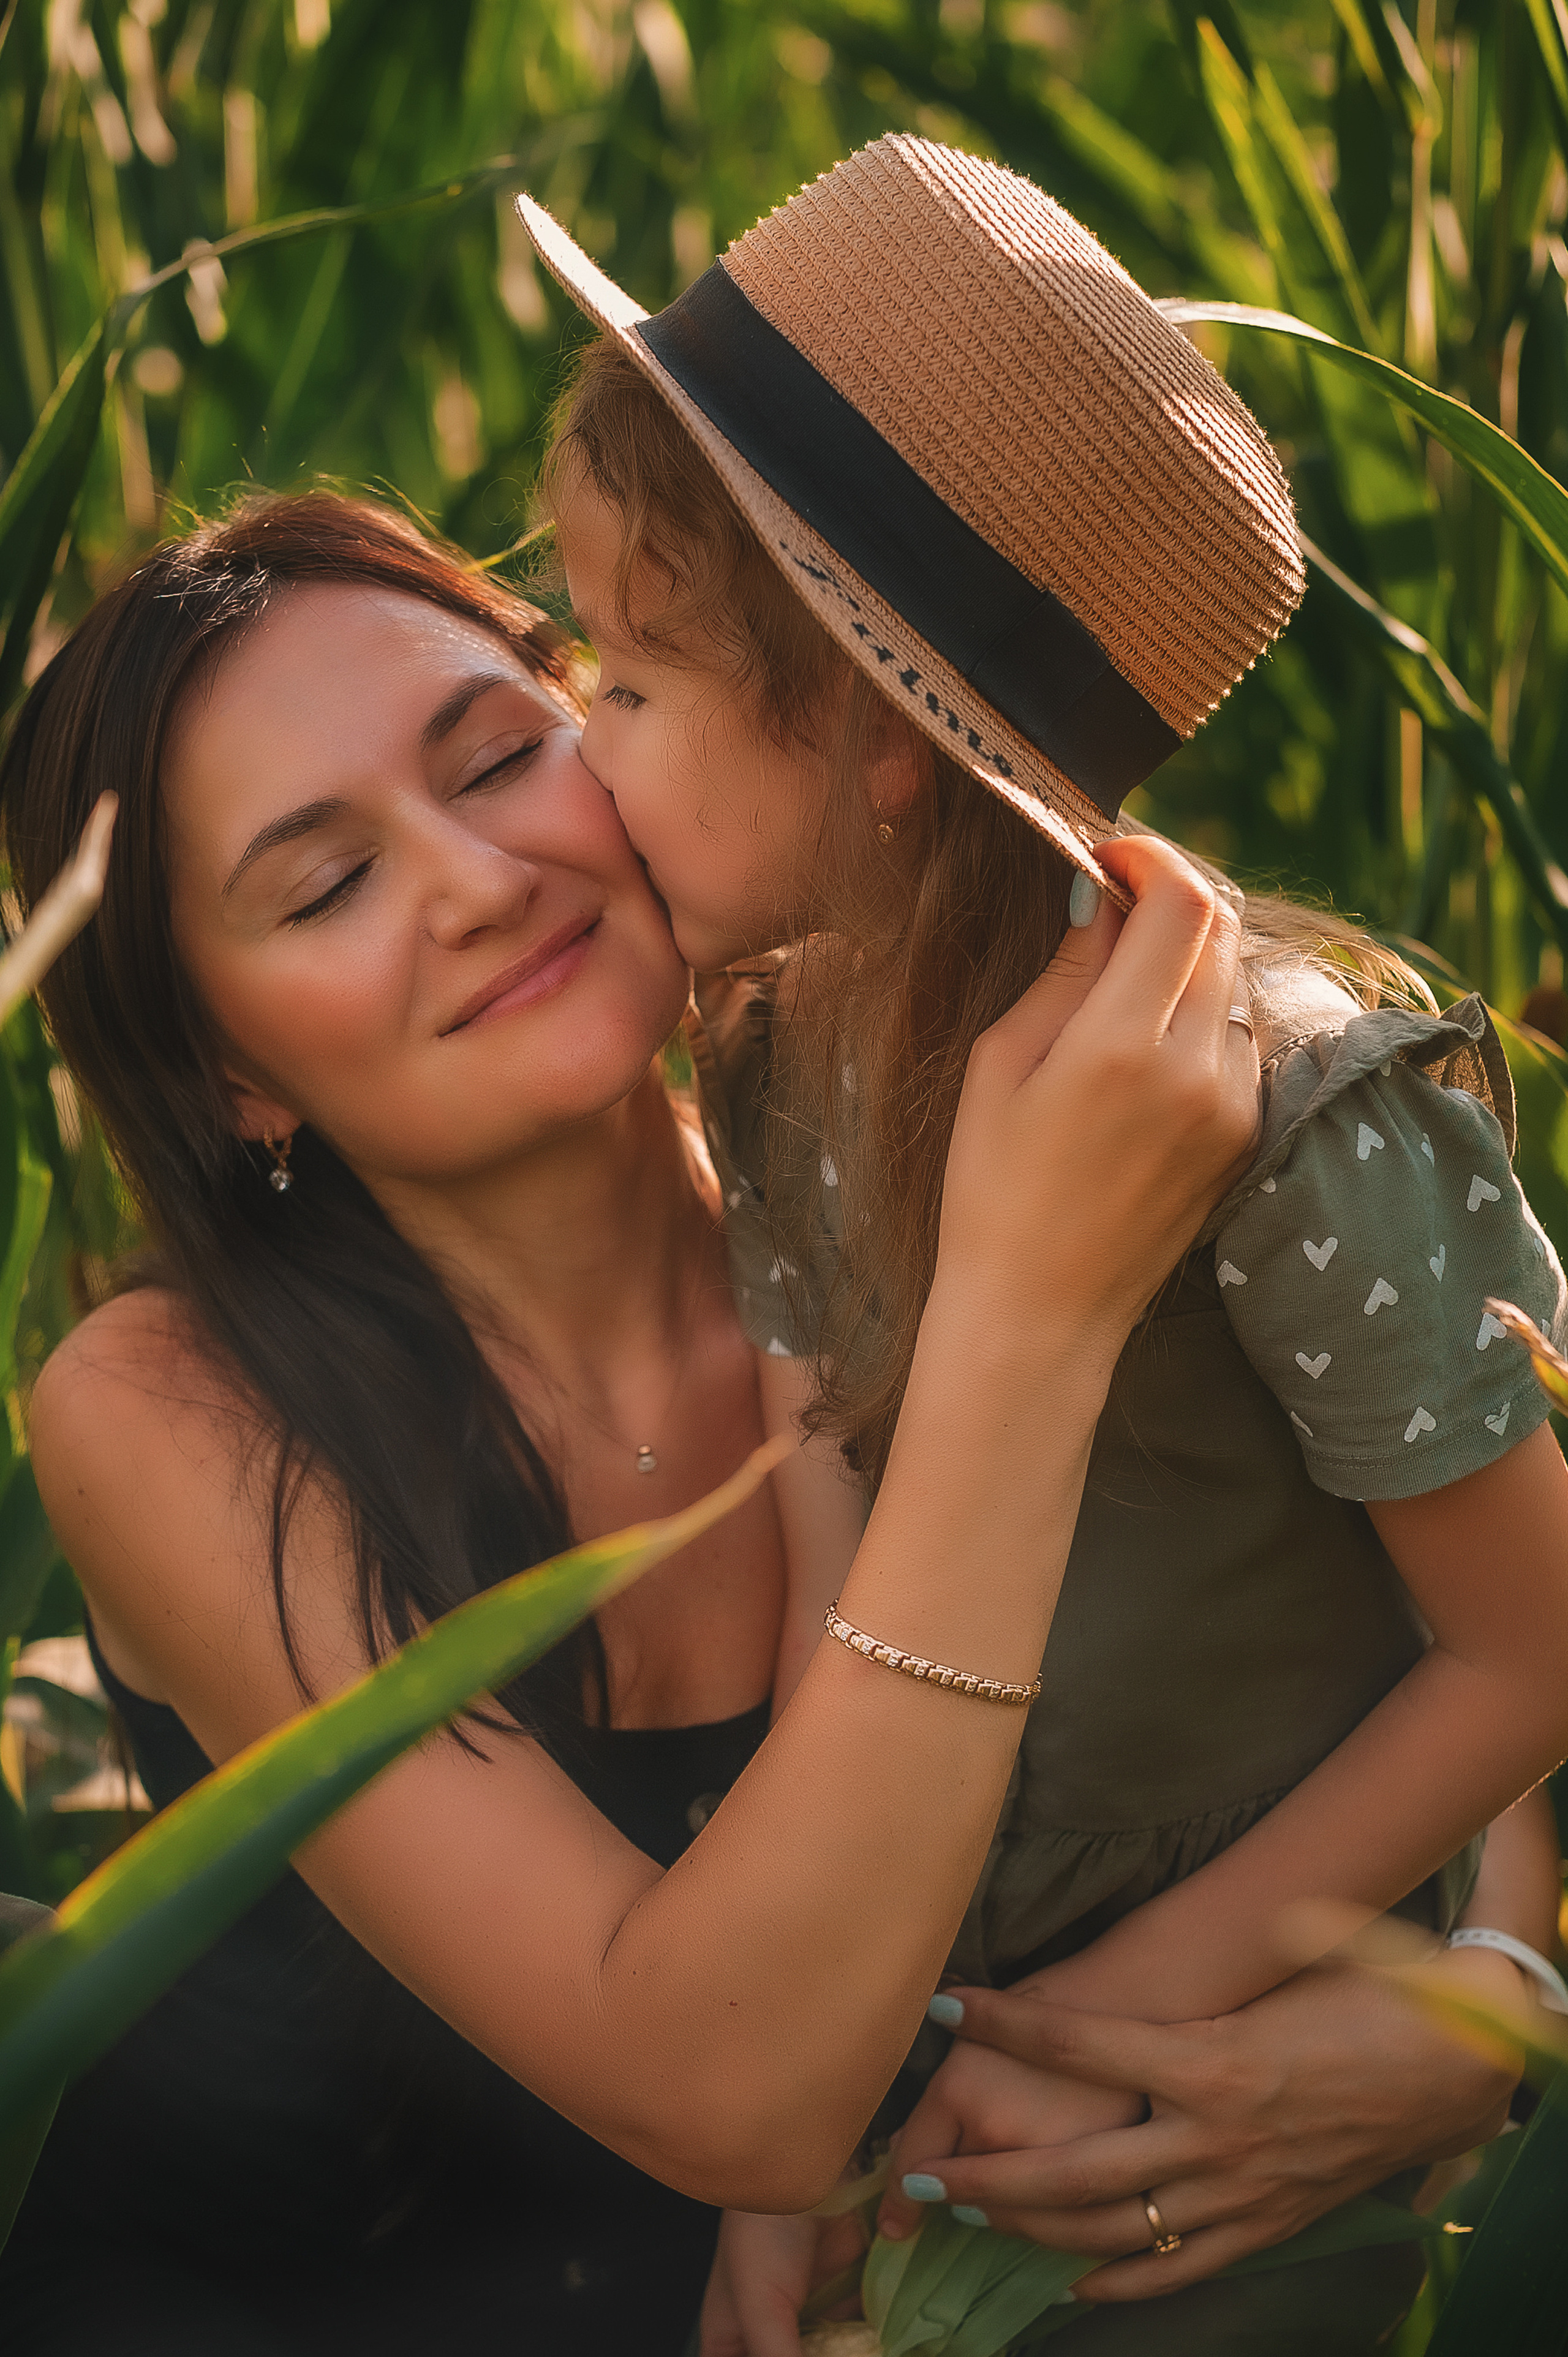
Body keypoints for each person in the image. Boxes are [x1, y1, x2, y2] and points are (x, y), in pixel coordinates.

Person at [0, 491, 1257, 2354]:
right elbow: (728, 2092)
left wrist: (1467, 1990)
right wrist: (1029, 1317)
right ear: (230, 1072)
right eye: (327, 882)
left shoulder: (902, 1132)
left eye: (502, 756)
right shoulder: (165, 1407)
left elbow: (1385, 1568)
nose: (477, 879)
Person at [523, 133, 1568, 2351]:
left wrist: (1099, 2028)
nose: (568, 739)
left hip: (1229, 2080)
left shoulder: (1294, 1126)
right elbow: (841, 1565)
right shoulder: (780, 1058)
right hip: (939, 2015)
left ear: (876, 739)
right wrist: (826, 2108)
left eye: (628, 674)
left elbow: (1529, 1650)